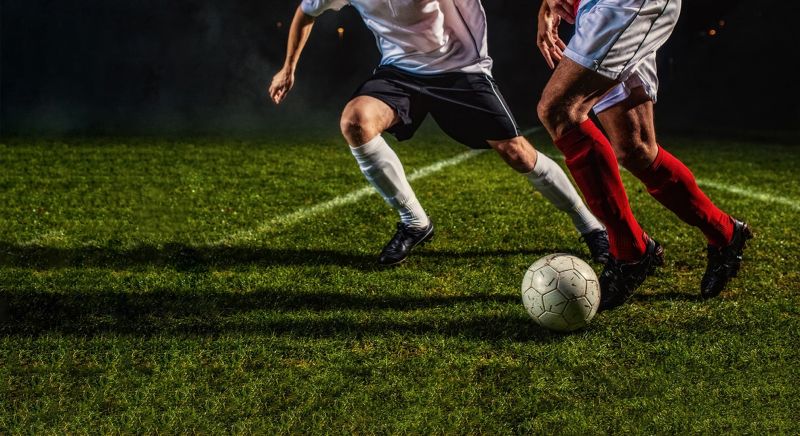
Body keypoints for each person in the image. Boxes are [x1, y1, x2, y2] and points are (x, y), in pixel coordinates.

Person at [269, 0, 610, 266]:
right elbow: (305, 13)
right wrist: (288, 68)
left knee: (517, 152)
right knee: (355, 121)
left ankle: (592, 227)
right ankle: (414, 222)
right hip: (400, 70)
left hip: (460, 69)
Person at [535, 0, 752, 310]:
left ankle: (631, 252)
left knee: (559, 109)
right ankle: (726, 232)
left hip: (626, 4)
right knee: (635, 148)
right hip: (594, 7)